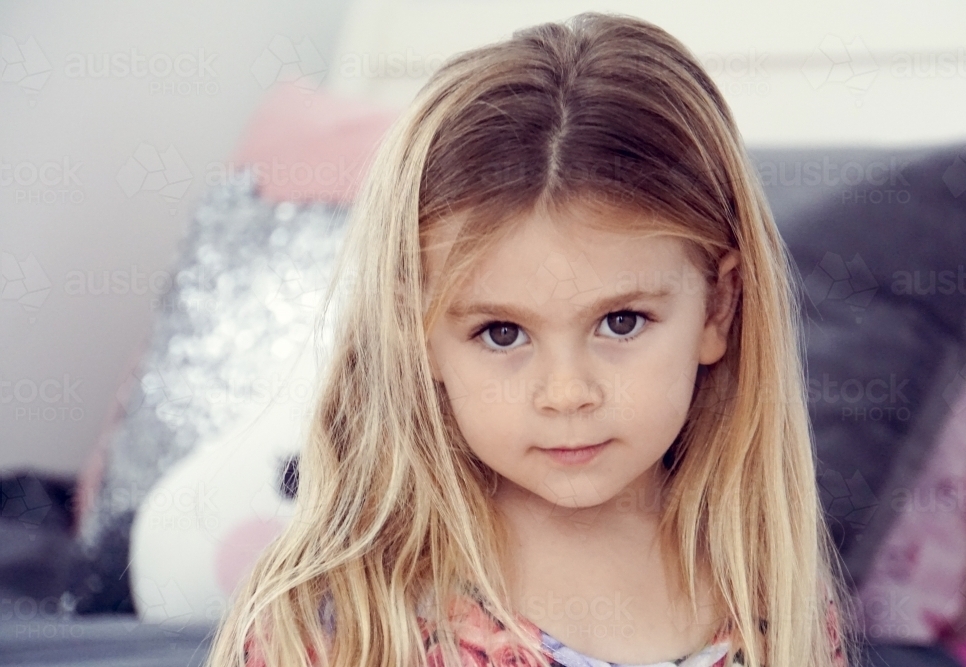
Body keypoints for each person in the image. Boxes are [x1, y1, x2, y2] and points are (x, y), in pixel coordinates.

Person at [205, 12, 855, 667]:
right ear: (415, 330)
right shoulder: (342, 623)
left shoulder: (777, 601)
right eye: (502, 332)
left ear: (718, 307)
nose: (566, 393)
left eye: (621, 322)